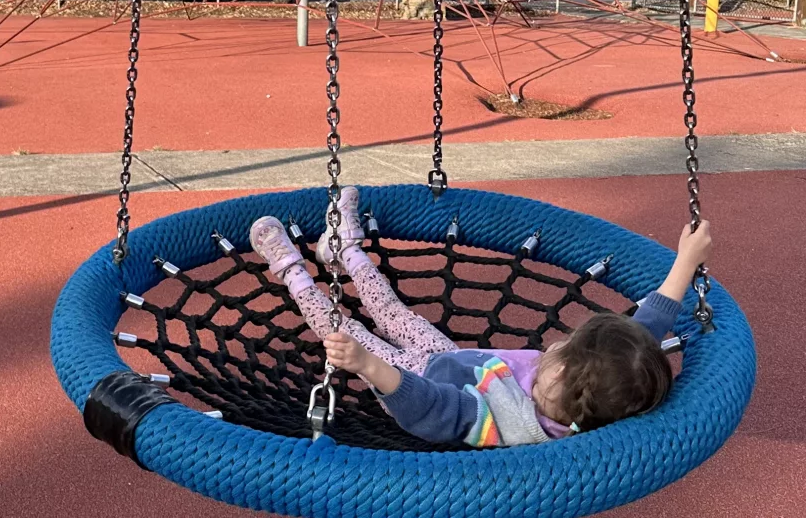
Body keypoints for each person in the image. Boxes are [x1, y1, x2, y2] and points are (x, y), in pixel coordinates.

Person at [249, 188, 711, 447]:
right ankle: (343, 249)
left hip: (409, 380)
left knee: (342, 331)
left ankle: (289, 269)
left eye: (562, 351)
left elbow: (430, 413)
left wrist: (369, 366)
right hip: (448, 356)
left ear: (562, 378)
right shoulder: (597, 394)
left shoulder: (502, 421)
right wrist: (684, 264)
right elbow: (639, 338)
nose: (553, 346)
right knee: (389, 307)